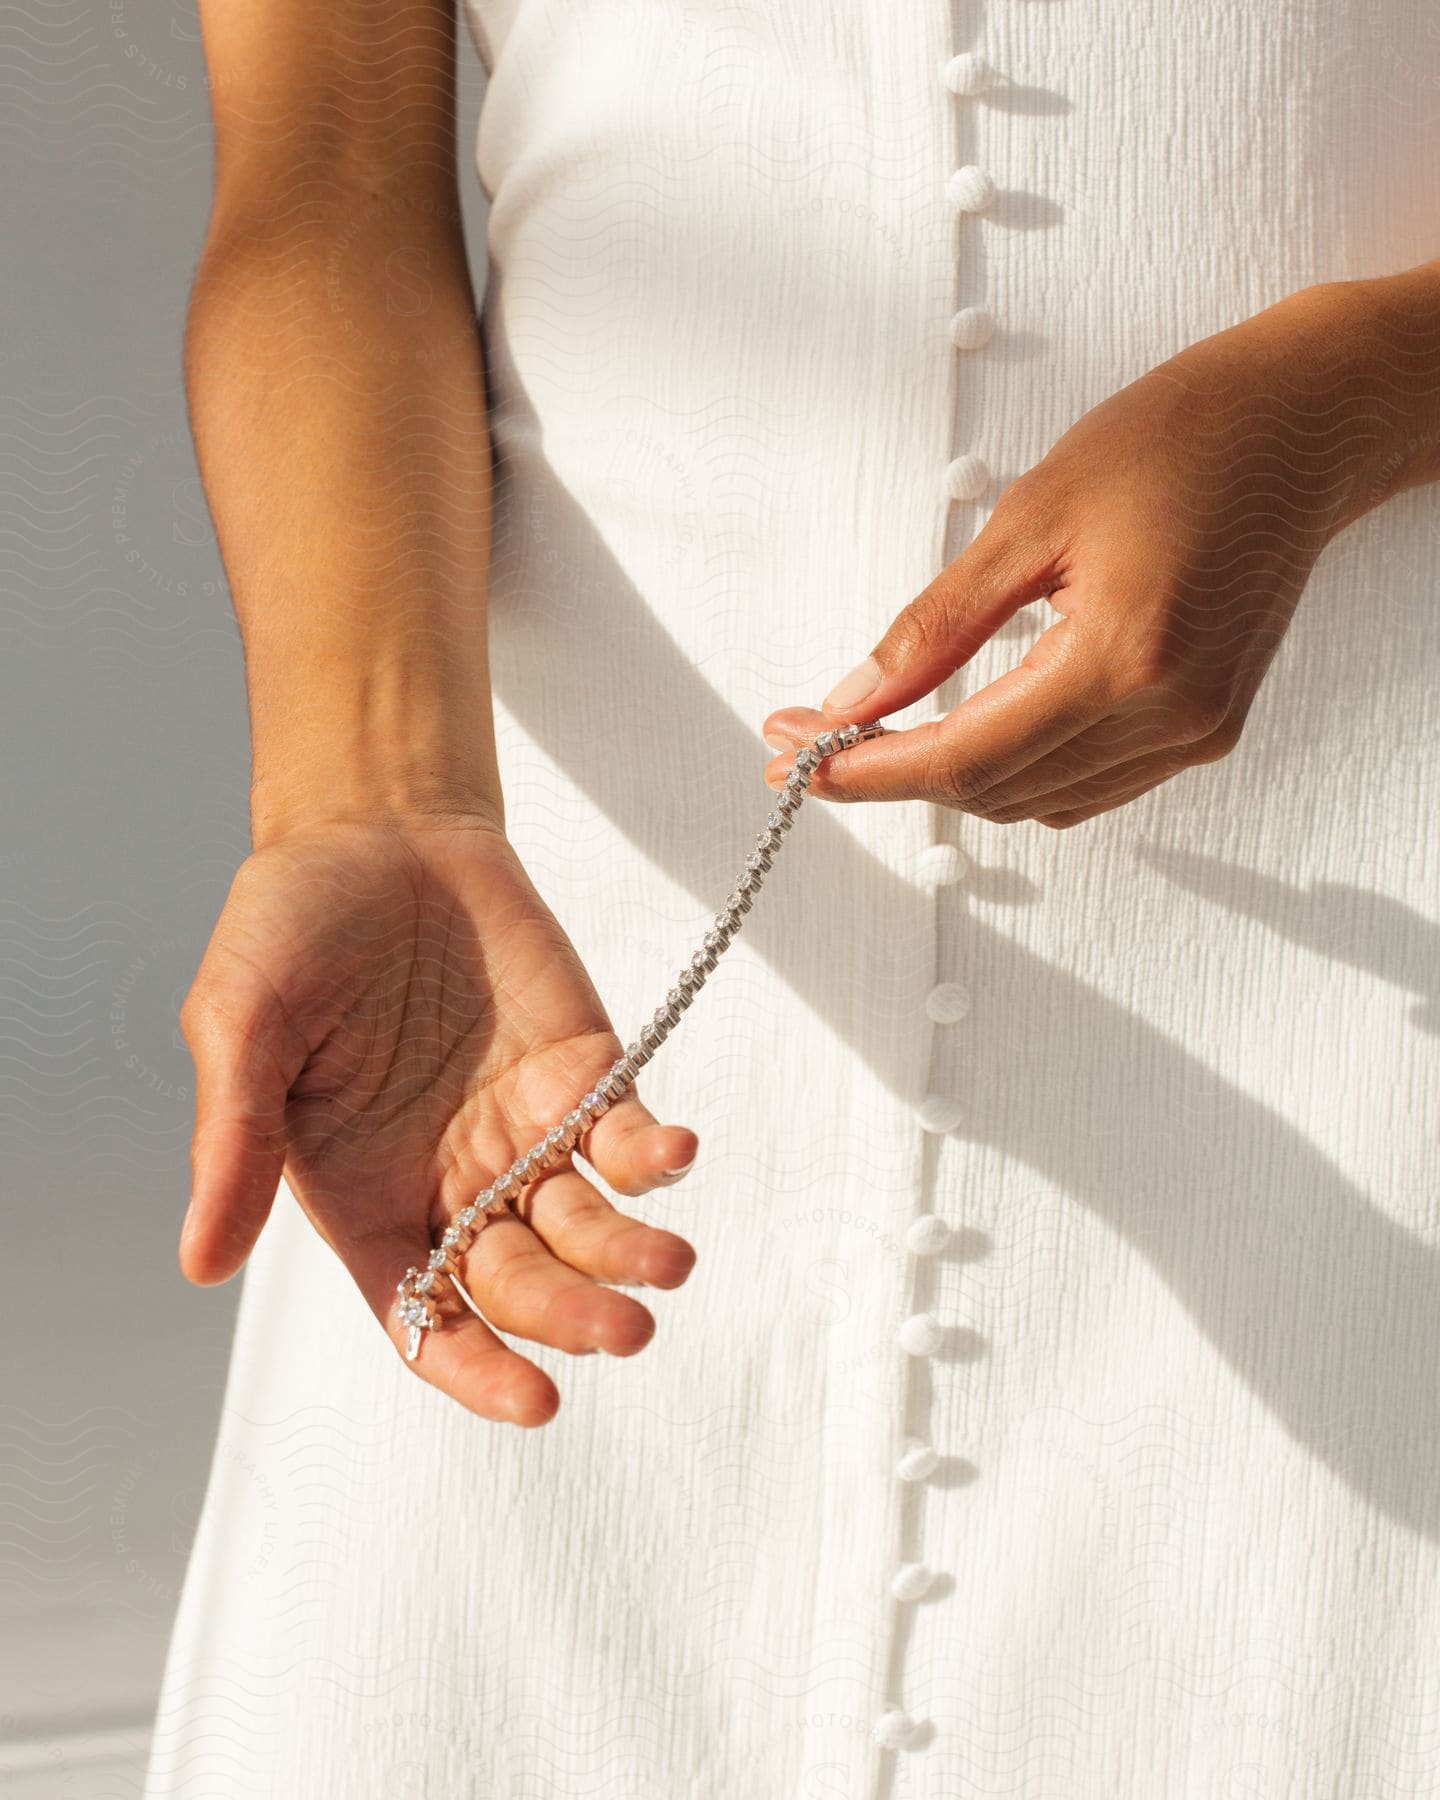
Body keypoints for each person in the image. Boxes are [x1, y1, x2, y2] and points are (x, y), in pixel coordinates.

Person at [145, 1, 1440, 1793]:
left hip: (1376, 883)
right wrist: (367, 796)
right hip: (527, 983)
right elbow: (329, 180)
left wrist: (1372, 380)